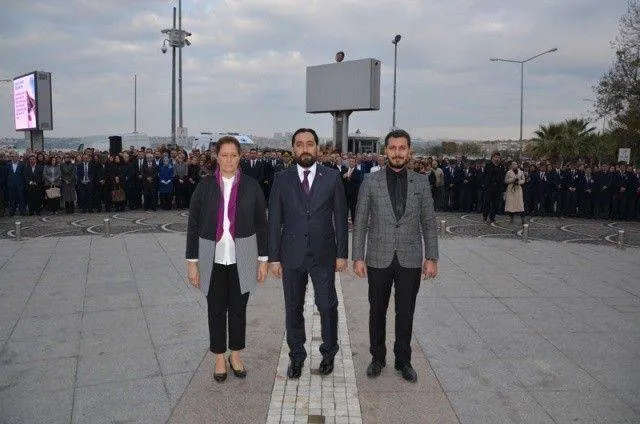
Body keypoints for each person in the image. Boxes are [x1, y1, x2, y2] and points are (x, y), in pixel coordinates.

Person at [351, 129, 438, 383]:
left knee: (405, 312)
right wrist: (358, 257)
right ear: (385, 151)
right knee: (377, 311)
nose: (397, 153)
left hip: (410, 258)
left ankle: (403, 360)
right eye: (392, 148)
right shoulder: (371, 181)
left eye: (402, 148)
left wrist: (431, 257)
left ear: (409, 151)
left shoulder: (421, 182)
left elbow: (429, 222)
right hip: (378, 257)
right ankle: (377, 358)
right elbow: (360, 221)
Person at [268, 128, 349, 379]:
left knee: (327, 305)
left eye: (310, 143)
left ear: (318, 148)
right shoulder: (281, 179)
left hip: (323, 254)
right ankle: (296, 356)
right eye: (300, 144)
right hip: (291, 254)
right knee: (293, 307)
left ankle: (329, 352)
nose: (305, 148)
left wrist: (342, 253)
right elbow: (274, 220)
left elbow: (340, 217)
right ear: (293, 148)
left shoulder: (332, 177)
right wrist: (274, 258)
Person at [186, 136, 268, 382]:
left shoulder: (252, 186)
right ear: (217, 157)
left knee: (239, 309)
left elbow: (261, 224)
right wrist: (192, 263)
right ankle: (219, 357)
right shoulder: (205, 186)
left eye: (233, 155)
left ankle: (236, 354)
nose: (229, 160)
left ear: (240, 157)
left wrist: (263, 260)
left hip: (243, 254)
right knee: (216, 309)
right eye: (224, 155)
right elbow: (193, 224)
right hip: (211, 255)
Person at [482, 152, 505, 224]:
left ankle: (492, 218)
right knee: (487, 203)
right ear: (492, 158)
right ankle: (485, 216)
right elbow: (485, 175)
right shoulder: (488, 165)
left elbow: (502, 178)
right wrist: (485, 185)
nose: (497, 159)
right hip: (489, 187)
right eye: (495, 157)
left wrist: (502, 188)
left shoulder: (501, 166)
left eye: (498, 157)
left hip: (498, 188)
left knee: (495, 204)